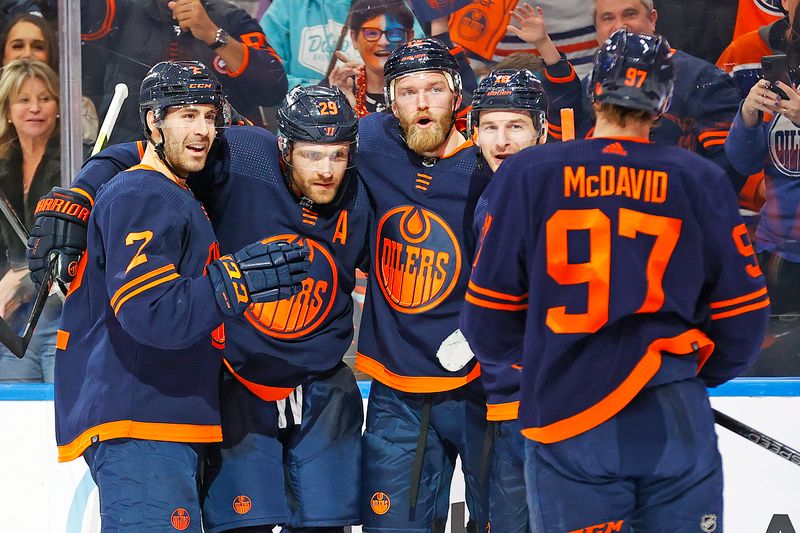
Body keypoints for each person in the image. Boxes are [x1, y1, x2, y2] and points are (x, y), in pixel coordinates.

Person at [461, 29, 770, 530]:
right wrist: (683, 377)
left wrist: (552, 359)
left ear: (593, 92)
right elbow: (744, 320)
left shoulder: (530, 173)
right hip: (672, 413)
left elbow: (488, 322)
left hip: (567, 415)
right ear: (664, 101)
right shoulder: (698, 178)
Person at [49, 61, 308, 532]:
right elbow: (151, 312)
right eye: (187, 115)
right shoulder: (140, 193)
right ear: (153, 121)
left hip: (161, 422)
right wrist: (235, 283)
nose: (203, 129)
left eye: (210, 116)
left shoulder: (176, 193)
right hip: (141, 424)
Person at [197, 85, 370, 533]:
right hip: (238, 379)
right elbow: (145, 158)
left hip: (323, 385)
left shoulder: (365, 185)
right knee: (242, 526)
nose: (328, 170)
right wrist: (78, 196)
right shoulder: (245, 154)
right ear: (285, 147)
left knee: (326, 526)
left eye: (337, 155)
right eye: (313, 155)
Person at [354, 38, 492, 533]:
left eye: (434, 89)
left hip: (483, 387)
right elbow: (263, 150)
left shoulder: (490, 163)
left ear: (457, 95)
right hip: (397, 388)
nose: (423, 103)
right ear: (390, 101)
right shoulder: (368, 142)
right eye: (408, 91)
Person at [515, 1, 749, 195]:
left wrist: (674, 201)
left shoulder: (702, 77)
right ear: (596, 28)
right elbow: (568, 136)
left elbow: (730, 167)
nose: (620, 26)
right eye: (607, 18)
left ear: (653, 18)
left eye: (630, 14)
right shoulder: (593, 83)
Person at [467, 68, 548, 533]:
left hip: (537, 399)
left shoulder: (544, 193)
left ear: (540, 130)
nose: (501, 140)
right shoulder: (496, 191)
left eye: (515, 126)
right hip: (510, 395)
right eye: (490, 127)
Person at [80, 0, 287, 143]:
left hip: (216, 162)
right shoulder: (122, 10)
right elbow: (64, 11)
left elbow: (273, 87)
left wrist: (213, 34)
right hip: (132, 157)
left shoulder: (232, 19)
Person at [0, 58, 59, 382]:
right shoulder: (2, 168)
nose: (35, 108)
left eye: (45, 98)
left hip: (62, 321)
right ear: (8, 110)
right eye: (24, 100)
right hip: (13, 326)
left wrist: (18, 279)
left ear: (58, 107)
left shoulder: (78, 161)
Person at [1, 12, 99, 147]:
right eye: (18, 46)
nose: (27, 54)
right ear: (3, 55)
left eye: (38, 47)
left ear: (51, 54)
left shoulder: (79, 107)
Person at [326, 0, 415, 116]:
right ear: (354, 38)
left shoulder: (423, 90)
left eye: (394, 33)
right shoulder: (338, 86)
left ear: (410, 37)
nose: (383, 42)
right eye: (372, 33)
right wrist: (341, 105)